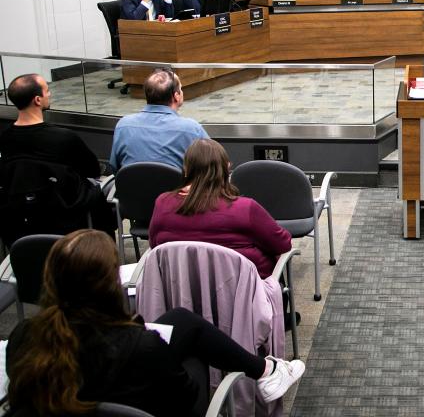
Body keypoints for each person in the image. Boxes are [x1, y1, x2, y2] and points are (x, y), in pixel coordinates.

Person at [4, 230, 305, 416]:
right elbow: (185, 399)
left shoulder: (25, 337)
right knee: (192, 350)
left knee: (181, 320)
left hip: (109, 382)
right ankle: (265, 370)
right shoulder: (141, 346)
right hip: (148, 402)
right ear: (110, 285)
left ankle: (265, 369)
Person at [150, 139, 292, 279]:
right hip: (243, 296)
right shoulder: (245, 208)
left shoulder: (163, 203)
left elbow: (155, 245)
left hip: (182, 293)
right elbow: (283, 244)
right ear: (226, 169)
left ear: (186, 170)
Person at [0, 73, 100, 178]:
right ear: (38, 100)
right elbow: (93, 171)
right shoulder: (64, 137)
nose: (49, 94)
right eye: (47, 91)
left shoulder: (5, 137)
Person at [109, 68, 208, 172]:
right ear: (176, 96)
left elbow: (115, 168)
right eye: (181, 89)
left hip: (132, 187)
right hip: (176, 187)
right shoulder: (191, 129)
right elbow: (217, 165)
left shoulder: (123, 125)